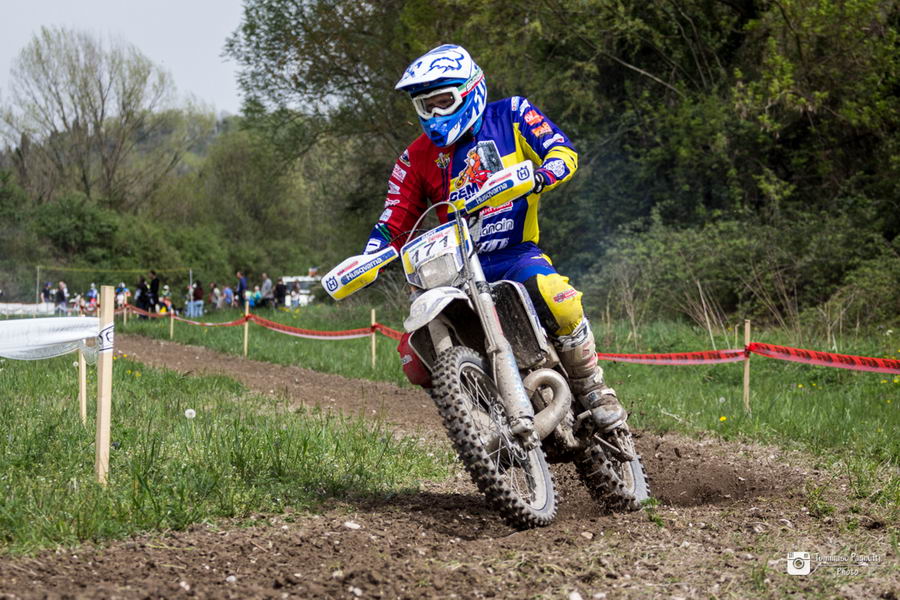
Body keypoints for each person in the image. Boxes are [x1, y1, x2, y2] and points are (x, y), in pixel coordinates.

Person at [362, 44, 625, 431]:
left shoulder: (511, 114)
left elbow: (562, 151)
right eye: (424, 106)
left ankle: (592, 386)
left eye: (443, 102)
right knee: (414, 355)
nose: (434, 115)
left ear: (470, 91)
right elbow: (394, 219)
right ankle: (472, 420)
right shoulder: (415, 157)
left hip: (514, 254)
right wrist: (370, 256)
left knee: (560, 301)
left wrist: (541, 175)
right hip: (454, 271)